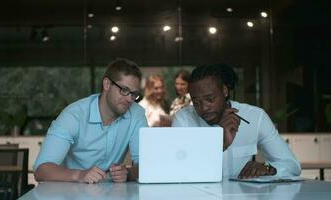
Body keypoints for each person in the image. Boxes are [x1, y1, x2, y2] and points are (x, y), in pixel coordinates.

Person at [172, 64, 301, 179]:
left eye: (210, 99)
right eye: (196, 102)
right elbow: (177, 169)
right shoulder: (184, 120)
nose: (204, 107)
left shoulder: (255, 117)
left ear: (225, 91)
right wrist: (219, 144)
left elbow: (292, 166)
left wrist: (268, 169)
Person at [34, 58, 148, 183]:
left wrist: (128, 173)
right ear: (107, 84)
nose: (129, 99)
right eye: (124, 90)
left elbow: (147, 165)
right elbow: (41, 170)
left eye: (133, 94)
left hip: (113, 193)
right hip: (71, 191)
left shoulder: (136, 114)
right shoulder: (74, 115)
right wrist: (79, 175)